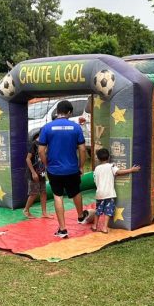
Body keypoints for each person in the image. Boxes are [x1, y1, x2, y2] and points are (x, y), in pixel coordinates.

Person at [37, 100, 88, 239]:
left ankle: (63, 229)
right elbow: (82, 149)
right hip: (72, 168)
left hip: (54, 169)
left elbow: (41, 151)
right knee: (76, 191)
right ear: (70, 112)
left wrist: (47, 163)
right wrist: (81, 166)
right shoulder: (76, 127)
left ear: (57, 111)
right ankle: (80, 216)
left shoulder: (47, 127)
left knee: (57, 195)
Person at [91, 147, 141, 233]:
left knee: (98, 210)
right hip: (109, 193)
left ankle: (95, 225)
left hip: (99, 193)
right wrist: (131, 170)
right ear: (109, 157)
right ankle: (104, 227)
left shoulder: (97, 168)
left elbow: (96, 179)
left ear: (98, 159)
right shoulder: (111, 166)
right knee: (108, 211)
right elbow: (119, 172)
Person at [22, 131, 50, 218]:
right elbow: (28, 159)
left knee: (43, 192)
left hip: (41, 172)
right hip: (34, 173)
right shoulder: (34, 144)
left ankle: (44, 212)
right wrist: (33, 172)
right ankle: (26, 210)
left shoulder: (45, 144)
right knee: (33, 193)